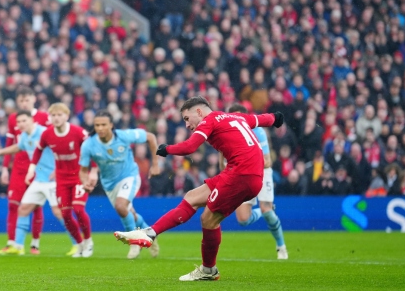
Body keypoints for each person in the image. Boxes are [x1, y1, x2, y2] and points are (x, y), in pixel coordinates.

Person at [114, 96, 283, 281]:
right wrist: (277, 118)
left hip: (241, 174)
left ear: (200, 112)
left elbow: (190, 147)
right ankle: (150, 233)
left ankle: (208, 270)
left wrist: (166, 149)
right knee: (192, 197)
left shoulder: (208, 120)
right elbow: (262, 119)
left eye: (187, 119)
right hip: (244, 173)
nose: (187, 125)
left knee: (208, 220)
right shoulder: (236, 117)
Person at [0, 109, 76, 255]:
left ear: (32, 120)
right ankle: (18, 246)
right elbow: (19, 147)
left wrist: (59, 169)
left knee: (59, 212)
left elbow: (60, 148)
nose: (21, 124)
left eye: (24, 121)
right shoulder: (24, 136)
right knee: (23, 209)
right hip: (39, 179)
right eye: (18, 122)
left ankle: (77, 243)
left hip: (52, 179)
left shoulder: (44, 133)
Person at [79, 110, 160, 259]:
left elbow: (151, 137)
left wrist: (155, 164)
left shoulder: (123, 136)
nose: (100, 128)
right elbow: (83, 170)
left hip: (129, 176)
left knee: (121, 206)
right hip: (109, 184)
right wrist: (85, 182)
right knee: (130, 213)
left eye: (104, 124)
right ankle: (150, 235)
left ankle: (135, 242)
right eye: (97, 125)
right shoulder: (88, 145)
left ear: (111, 125)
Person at [27, 103, 94, 258]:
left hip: (79, 177)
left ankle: (88, 241)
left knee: (78, 209)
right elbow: (38, 150)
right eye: (53, 115)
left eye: (59, 115)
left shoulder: (78, 132)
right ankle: (79, 244)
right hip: (62, 180)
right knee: (65, 214)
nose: (56, 118)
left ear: (66, 116)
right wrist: (32, 169)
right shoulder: (47, 134)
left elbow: (92, 148)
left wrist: (94, 171)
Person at [224, 104, 287, 260]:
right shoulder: (227, 134)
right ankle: (266, 209)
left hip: (261, 172)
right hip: (242, 174)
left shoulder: (258, 131)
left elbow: (267, 161)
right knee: (243, 220)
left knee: (267, 211)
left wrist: (247, 161)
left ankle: (281, 246)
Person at [0, 87, 51, 255]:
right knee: (13, 205)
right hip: (19, 167)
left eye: (27, 100)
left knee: (35, 206)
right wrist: (5, 168)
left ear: (34, 99)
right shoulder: (14, 118)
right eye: (21, 100)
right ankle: (12, 243)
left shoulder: (44, 117)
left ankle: (34, 244)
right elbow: (10, 143)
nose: (24, 103)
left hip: (39, 167)